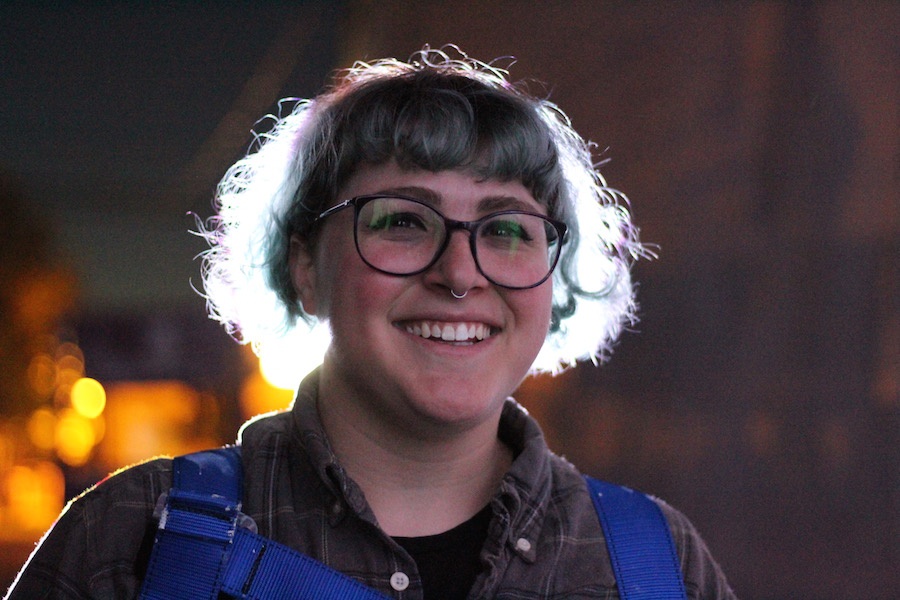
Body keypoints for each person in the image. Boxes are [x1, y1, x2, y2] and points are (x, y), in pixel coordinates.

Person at [6, 47, 736, 599]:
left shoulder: (657, 565)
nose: (460, 274)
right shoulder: (132, 543)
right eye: (402, 222)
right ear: (304, 267)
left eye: (507, 229)